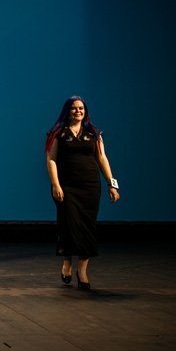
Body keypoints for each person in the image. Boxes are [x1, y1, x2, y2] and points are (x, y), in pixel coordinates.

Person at [45, 96, 119, 290]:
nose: (78, 111)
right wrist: (55, 185)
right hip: (67, 187)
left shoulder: (94, 133)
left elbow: (102, 158)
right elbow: (51, 159)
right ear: (67, 111)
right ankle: (66, 263)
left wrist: (112, 184)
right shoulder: (58, 133)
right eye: (74, 108)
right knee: (68, 225)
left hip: (90, 187)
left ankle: (82, 271)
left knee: (87, 226)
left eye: (81, 108)